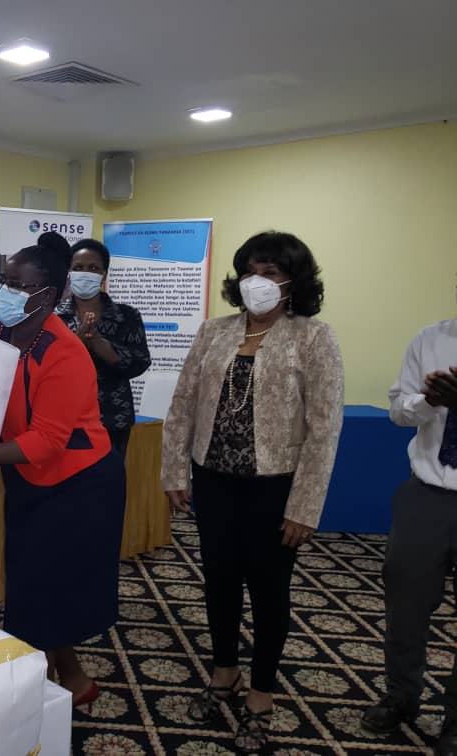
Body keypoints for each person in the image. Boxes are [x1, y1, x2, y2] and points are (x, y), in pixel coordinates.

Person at [161, 231, 343, 753]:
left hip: (274, 486)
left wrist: (305, 506)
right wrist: (175, 472)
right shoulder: (213, 331)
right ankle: (225, 671)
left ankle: (261, 692)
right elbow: (183, 404)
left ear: (293, 282)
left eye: (270, 273)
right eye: (249, 271)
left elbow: (324, 428)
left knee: (268, 590)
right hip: (214, 479)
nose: (256, 282)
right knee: (219, 581)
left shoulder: (313, 337)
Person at [0, 231, 125, 709]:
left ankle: (44, 693)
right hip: (25, 474)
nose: (4, 291)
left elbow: (47, 441)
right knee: (32, 585)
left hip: (79, 484)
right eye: (2, 280)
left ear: (47, 295)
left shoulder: (66, 352)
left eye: (17, 284)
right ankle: (67, 679)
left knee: (47, 587)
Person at [361, 311, 457, 755]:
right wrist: (429, 401)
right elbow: (399, 412)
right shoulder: (430, 339)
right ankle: (401, 696)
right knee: (405, 606)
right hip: (426, 494)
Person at [56, 238, 150, 458]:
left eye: (93, 268)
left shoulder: (127, 315)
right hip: (63, 417)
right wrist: (76, 345)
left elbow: (141, 361)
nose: (85, 273)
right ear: (69, 272)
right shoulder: (55, 317)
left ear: (104, 275)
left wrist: (104, 347)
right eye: (78, 268)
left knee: (109, 476)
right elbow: (44, 365)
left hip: (113, 419)